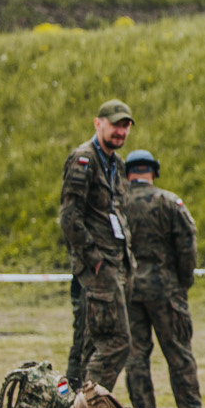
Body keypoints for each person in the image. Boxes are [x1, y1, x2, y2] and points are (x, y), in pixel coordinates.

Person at [121, 150, 205, 408]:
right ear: (154, 172)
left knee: (136, 355)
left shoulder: (117, 204)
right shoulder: (169, 202)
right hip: (166, 287)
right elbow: (187, 245)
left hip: (129, 288)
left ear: (127, 173)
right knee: (179, 351)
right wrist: (183, 281)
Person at [59, 100, 135, 392]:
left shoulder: (116, 164)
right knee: (115, 342)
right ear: (98, 123)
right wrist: (95, 260)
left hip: (116, 267)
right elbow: (69, 217)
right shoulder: (84, 159)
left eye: (125, 125)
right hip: (97, 271)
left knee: (90, 344)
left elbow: (117, 214)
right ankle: (88, 406)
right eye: (115, 124)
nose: (120, 131)